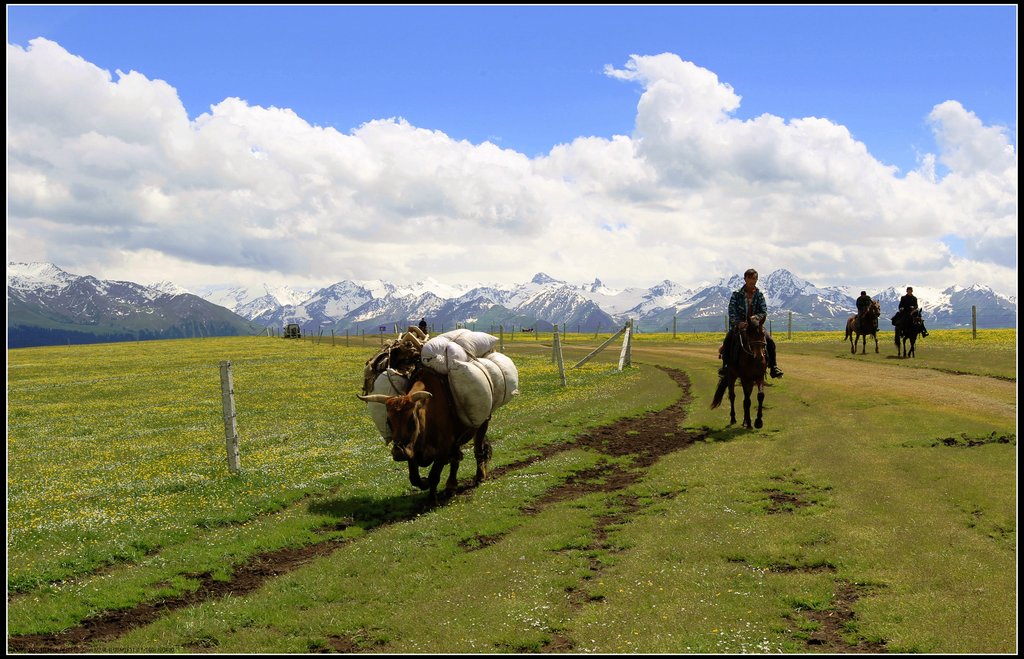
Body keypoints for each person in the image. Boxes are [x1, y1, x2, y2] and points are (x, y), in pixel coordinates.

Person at [718, 268, 784, 380]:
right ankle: (726, 367)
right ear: (745, 279)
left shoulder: (759, 295)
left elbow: (763, 311)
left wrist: (755, 318)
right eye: (750, 278)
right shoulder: (736, 295)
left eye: (754, 279)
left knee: (770, 341)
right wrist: (738, 323)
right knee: (728, 340)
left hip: (755, 326)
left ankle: (773, 367)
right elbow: (732, 311)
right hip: (739, 326)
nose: (752, 281)